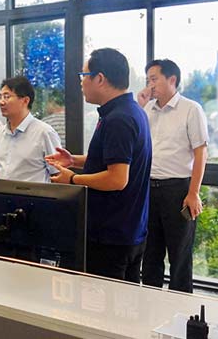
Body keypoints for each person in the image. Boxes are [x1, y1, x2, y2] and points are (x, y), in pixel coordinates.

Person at [46, 48, 152, 283]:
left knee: (106, 302)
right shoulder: (130, 111)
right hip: (129, 229)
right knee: (125, 300)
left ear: (100, 79)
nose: (81, 83)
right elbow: (118, 158)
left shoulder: (118, 119)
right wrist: (74, 160)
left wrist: (72, 179)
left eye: (83, 76)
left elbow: (117, 178)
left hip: (111, 234)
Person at [137, 59, 208, 293]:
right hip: (148, 189)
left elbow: (200, 152)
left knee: (180, 255)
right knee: (150, 252)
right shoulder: (146, 109)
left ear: (172, 79)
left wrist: (193, 193)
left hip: (178, 190)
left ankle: (181, 307)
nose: (150, 85)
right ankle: (151, 302)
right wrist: (139, 105)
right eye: (148, 80)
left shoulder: (191, 109)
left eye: (154, 79)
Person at [0, 76, 61, 183]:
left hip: (34, 194)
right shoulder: (0, 133)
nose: (1, 102)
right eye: (0, 97)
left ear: (25, 100)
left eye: (7, 97)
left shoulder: (44, 132)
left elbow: (58, 174)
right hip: (2, 193)